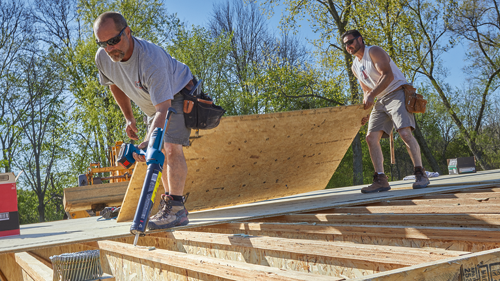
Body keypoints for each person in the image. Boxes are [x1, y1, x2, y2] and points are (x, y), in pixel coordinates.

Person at [93, 11, 193, 229]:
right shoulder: (103, 57)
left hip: (174, 94)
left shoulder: (151, 59)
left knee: (169, 145)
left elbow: (164, 108)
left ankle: (177, 210)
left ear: (127, 32)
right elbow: (114, 84)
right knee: (158, 151)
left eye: (114, 41)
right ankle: (169, 205)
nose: (110, 49)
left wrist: (148, 142)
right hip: (152, 106)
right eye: (103, 44)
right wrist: (129, 117)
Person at [341, 29, 430, 193]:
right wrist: (365, 113)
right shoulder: (355, 66)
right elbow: (366, 92)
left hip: (396, 92)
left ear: (360, 39)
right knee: (370, 138)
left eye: (350, 42)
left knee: (404, 133)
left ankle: (420, 173)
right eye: (345, 44)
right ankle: (380, 179)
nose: (348, 46)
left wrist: (372, 95)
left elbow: (387, 75)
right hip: (379, 100)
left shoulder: (373, 51)